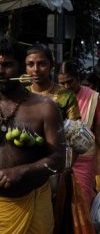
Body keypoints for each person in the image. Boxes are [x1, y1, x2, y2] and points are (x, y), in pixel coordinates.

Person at [0, 38, 66, 233]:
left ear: (22, 67)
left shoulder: (45, 108)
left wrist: (22, 171)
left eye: (7, 65)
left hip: (34, 202)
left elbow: (59, 160)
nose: (0, 71)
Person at [58, 60, 100, 208]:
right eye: (62, 83)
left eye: (70, 82)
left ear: (78, 78)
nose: (66, 86)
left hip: (83, 159)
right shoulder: (53, 97)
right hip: (57, 160)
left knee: (82, 204)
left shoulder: (93, 97)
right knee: (58, 206)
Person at [25, 44, 80, 122]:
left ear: (51, 66)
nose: (36, 69)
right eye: (30, 65)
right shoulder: (21, 95)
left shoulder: (66, 96)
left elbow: (75, 130)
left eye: (42, 64)